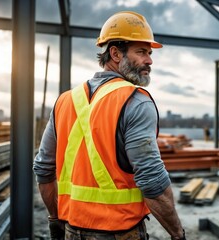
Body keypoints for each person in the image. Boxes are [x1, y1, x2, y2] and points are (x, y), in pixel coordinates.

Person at [33, 11, 185, 240]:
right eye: (141, 52)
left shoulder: (64, 101)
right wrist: (177, 234)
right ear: (115, 53)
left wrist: (55, 221)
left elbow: (44, 170)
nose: (149, 60)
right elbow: (152, 181)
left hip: (71, 230)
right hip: (120, 233)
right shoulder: (136, 101)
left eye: (150, 53)